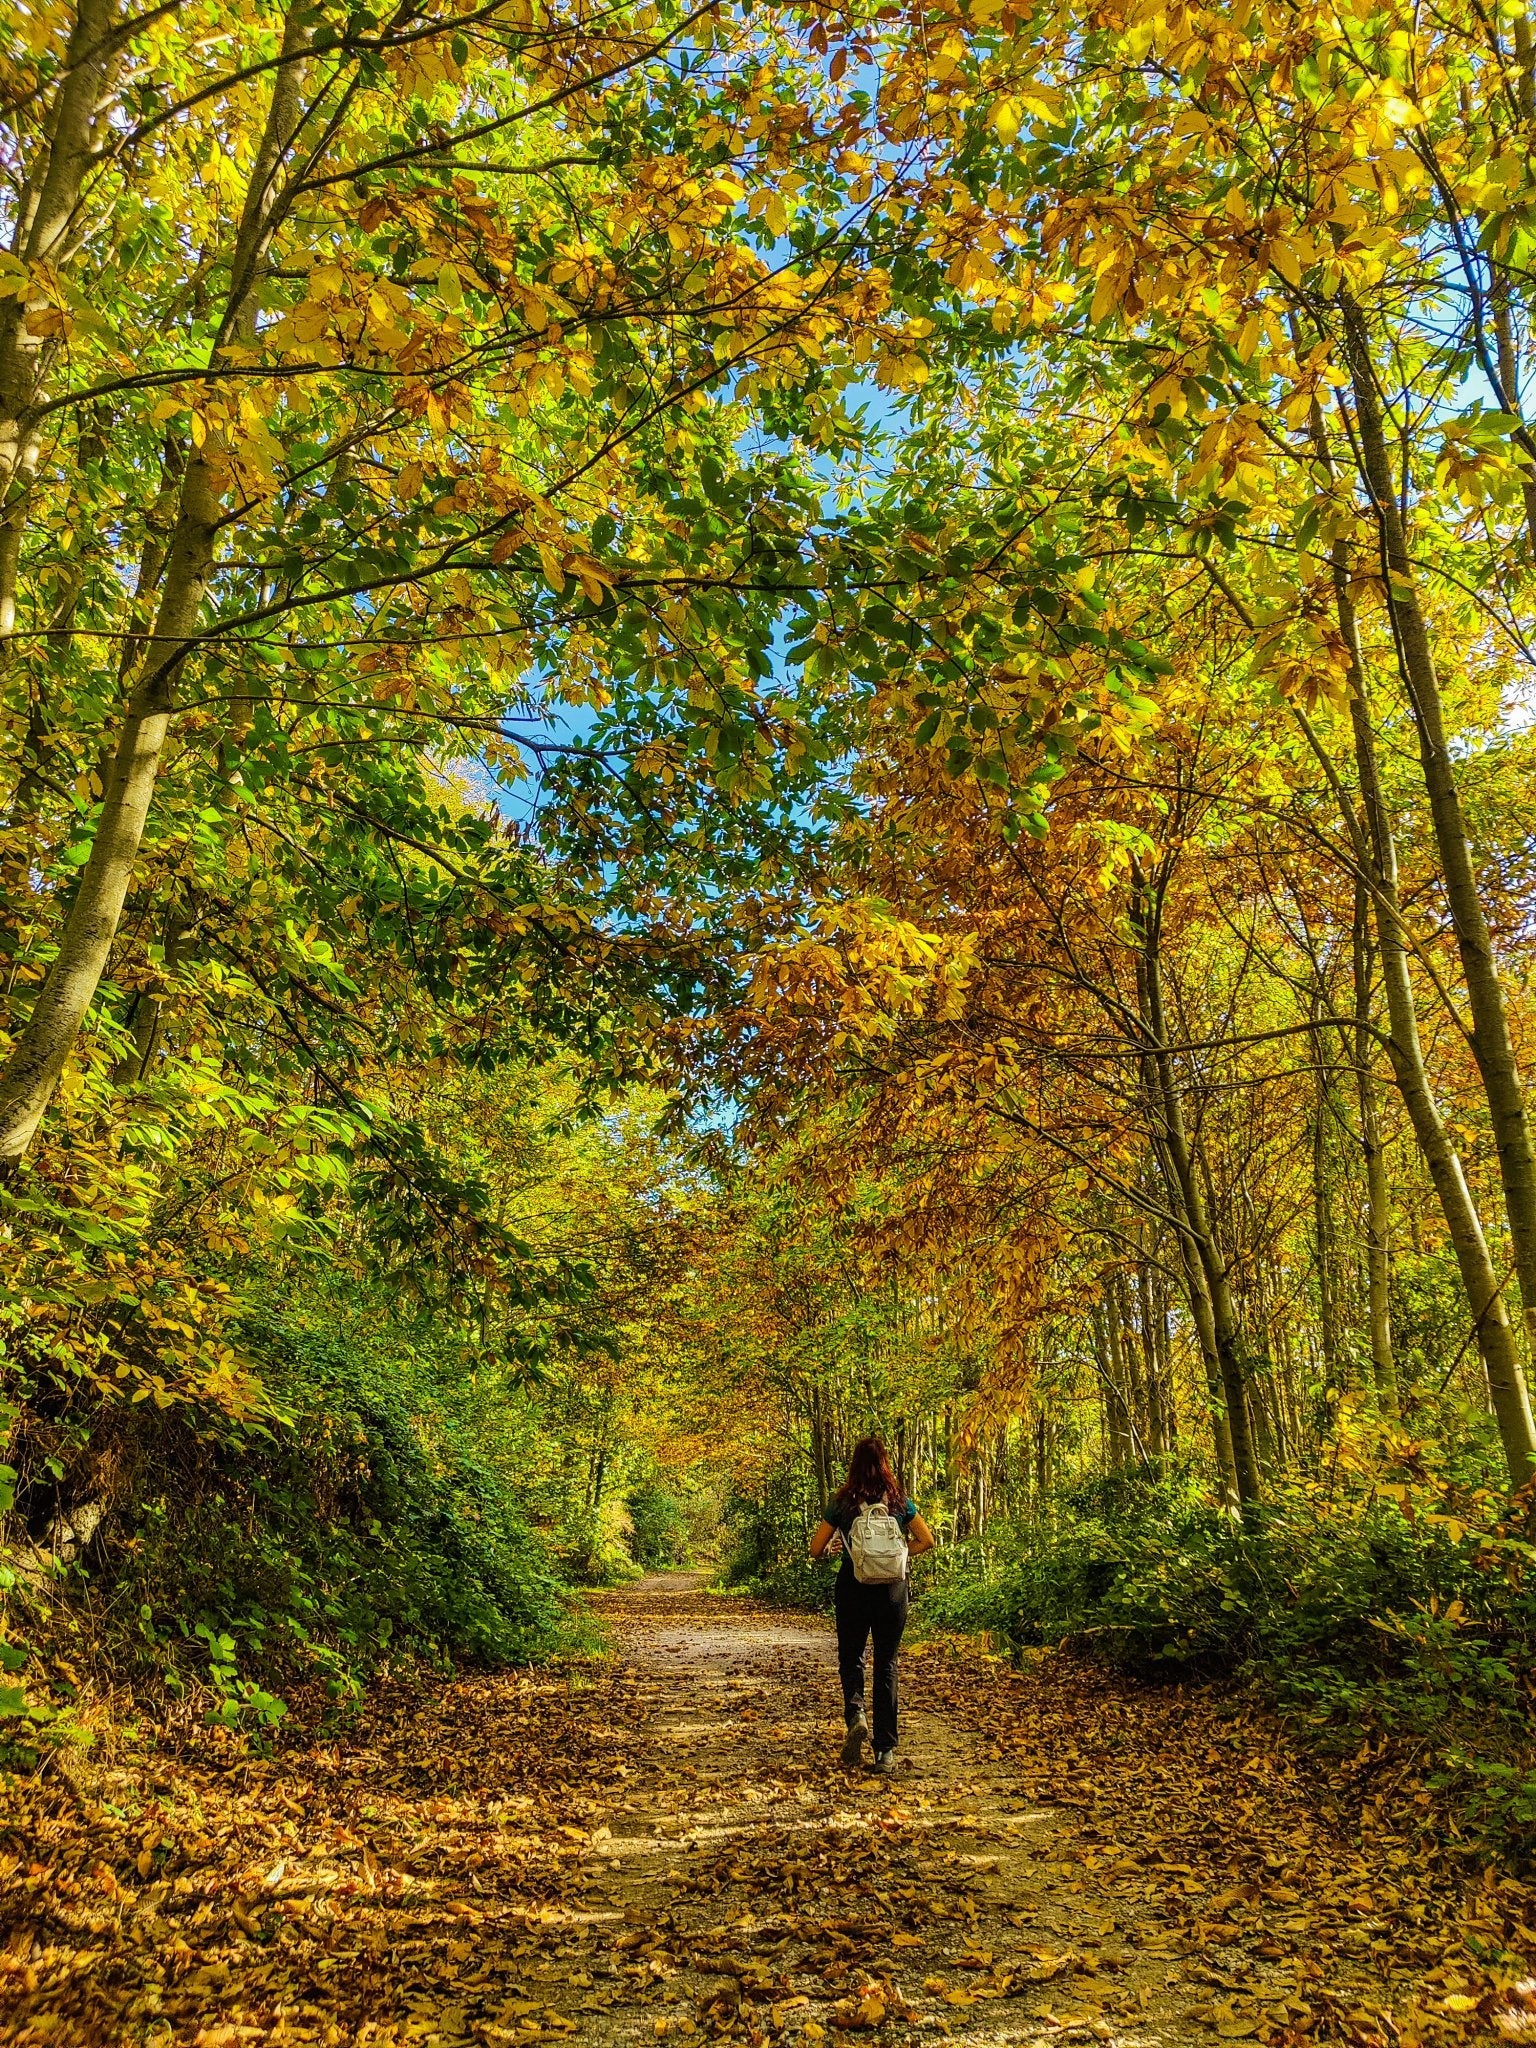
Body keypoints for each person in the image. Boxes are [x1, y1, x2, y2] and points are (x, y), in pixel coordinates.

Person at [808, 1437, 935, 1776]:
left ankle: (856, 1716)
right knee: (887, 1664)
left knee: (851, 1659)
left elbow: (816, 1548)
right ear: (885, 1464)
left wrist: (842, 1548)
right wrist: (898, 1553)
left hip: (853, 1587)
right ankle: (886, 1752)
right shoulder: (899, 1500)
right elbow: (927, 1540)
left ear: (854, 1464)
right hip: (893, 1591)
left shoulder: (843, 1501)